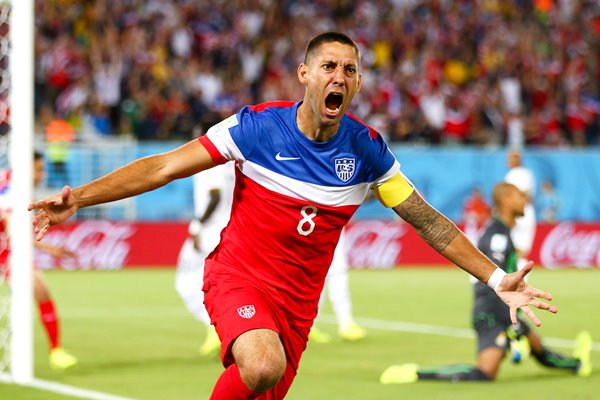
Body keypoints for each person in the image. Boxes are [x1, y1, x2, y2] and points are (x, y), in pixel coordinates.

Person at [29, 32, 557, 399]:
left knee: (264, 378)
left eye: (350, 70)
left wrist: (495, 277)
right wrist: (80, 199)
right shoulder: (256, 129)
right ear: (305, 74)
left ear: (357, 84)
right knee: (260, 365)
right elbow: (166, 165)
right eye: (329, 66)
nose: (340, 76)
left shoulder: (368, 152)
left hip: (297, 310)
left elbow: (430, 222)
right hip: (237, 276)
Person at [380, 183, 592, 384]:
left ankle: (578, 363)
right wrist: (511, 323)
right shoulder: (497, 235)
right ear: (506, 200)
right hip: (493, 312)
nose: (525, 200)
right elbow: (495, 281)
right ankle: (415, 373)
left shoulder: (500, 231)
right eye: (520, 196)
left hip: (500, 310)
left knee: (538, 349)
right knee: (485, 372)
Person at [0, 151, 78, 370]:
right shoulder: (11, 186)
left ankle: (56, 350)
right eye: (39, 169)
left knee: (40, 288)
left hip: (8, 248)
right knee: (36, 286)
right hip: (6, 248)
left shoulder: (19, 186)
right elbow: (11, 228)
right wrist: (49, 248)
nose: (42, 174)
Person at [175, 163, 235, 356]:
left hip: (211, 231)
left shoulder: (213, 163)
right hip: (227, 228)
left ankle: (215, 328)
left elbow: (215, 195)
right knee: (222, 285)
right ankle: (222, 330)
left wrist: (198, 225)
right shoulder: (232, 159)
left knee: (185, 283)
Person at [309, 230, 367, 343]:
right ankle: (346, 325)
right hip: (330, 247)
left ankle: (310, 326)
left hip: (316, 246)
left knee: (318, 288)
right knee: (338, 284)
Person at [504, 149, 536, 270]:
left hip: (521, 213)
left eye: (511, 158)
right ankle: (516, 279)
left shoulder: (519, 174)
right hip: (520, 213)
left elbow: (522, 196)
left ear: (518, 159)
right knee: (516, 250)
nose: (508, 161)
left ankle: (519, 281)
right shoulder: (524, 173)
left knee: (519, 250)